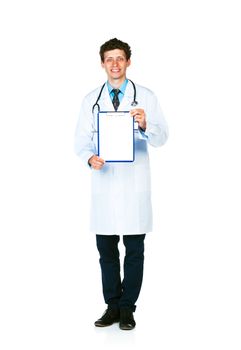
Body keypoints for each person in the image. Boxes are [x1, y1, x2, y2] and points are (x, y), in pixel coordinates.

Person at [74, 38, 168, 330]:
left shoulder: (147, 98)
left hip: (134, 185)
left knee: (135, 251)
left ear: (128, 61)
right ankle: (112, 305)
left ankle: (128, 309)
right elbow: (81, 139)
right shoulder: (92, 99)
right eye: (109, 59)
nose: (114, 64)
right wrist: (90, 158)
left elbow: (162, 137)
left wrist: (144, 124)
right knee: (106, 251)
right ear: (102, 63)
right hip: (104, 185)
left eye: (120, 58)